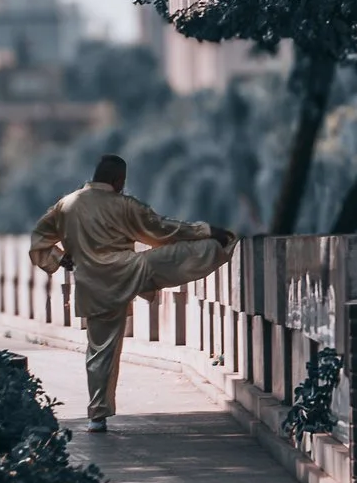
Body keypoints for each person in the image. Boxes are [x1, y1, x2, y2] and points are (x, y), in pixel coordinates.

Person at [29, 154, 237, 431]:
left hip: (91, 284)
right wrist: (207, 230)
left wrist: (60, 259)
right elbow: (163, 229)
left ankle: (97, 415)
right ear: (119, 180)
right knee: (182, 253)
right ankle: (222, 247)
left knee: (99, 351)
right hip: (132, 272)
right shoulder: (124, 205)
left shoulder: (65, 205)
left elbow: (38, 242)